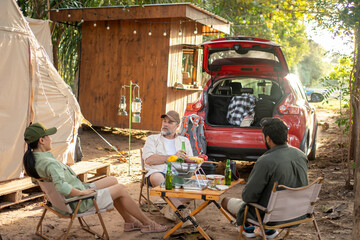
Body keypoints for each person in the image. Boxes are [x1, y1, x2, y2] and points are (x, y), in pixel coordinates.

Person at [23, 122, 167, 234]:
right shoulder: (49, 163)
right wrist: (82, 193)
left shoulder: (34, 161)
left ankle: (129, 221)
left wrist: (75, 190)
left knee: (112, 180)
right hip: (78, 201)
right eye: (48, 136)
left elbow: (41, 182)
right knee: (121, 189)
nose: (51, 139)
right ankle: (148, 223)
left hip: (67, 199)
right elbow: (61, 187)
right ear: (42, 140)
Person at [221, 118, 308, 239]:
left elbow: (248, 197)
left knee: (225, 201)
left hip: (271, 216)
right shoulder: (301, 155)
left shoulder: (266, 161)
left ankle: (249, 227)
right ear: (286, 136)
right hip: (297, 212)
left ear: (268, 138)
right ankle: (268, 232)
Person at [142, 110, 193, 221]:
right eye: (164, 121)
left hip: (179, 174)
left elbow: (191, 161)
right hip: (158, 173)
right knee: (157, 177)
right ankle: (181, 209)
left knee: (198, 185)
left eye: (170, 122)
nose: (165, 124)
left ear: (177, 126)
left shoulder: (184, 141)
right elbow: (149, 160)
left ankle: (169, 207)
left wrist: (187, 160)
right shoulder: (152, 139)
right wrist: (171, 157)